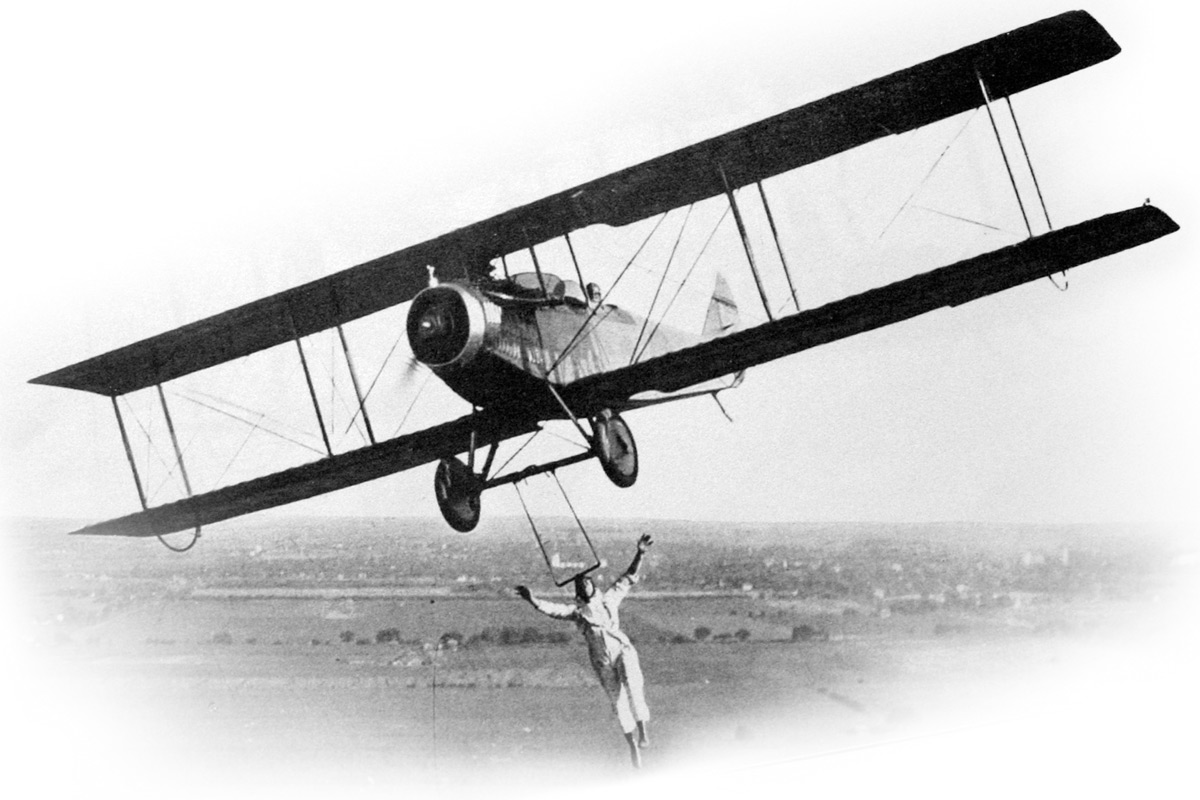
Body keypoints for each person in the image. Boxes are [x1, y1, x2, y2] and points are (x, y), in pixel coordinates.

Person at [516, 534, 654, 768]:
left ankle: (643, 732)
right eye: (581, 585)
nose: (584, 585)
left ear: (594, 587)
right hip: (601, 660)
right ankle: (632, 746)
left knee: (633, 684)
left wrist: (640, 553)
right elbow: (551, 609)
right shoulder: (577, 613)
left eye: (588, 582)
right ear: (579, 592)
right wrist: (532, 600)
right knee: (617, 702)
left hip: (621, 649)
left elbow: (627, 578)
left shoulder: (608, 600)